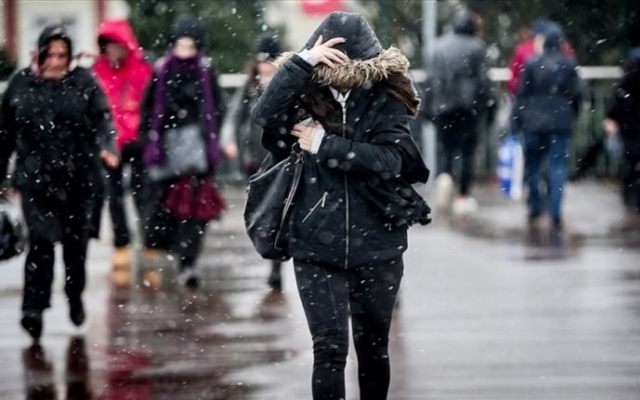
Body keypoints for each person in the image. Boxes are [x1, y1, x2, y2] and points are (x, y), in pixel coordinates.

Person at [251, 11, 431, 399]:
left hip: (378, 239)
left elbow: (390, 160)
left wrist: (325, 146)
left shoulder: (386, 96)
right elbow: (263, 115)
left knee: (372, 350)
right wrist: (301, 63)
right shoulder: (304, 92)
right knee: (329, 351)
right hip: (315, 241)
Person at [0, 24, 118, 340]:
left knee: (74, 248)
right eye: (49, 54)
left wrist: (108, 147)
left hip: (79, 180)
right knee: (40, 243)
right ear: (38, 54)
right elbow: (4, 135)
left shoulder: (83, 82)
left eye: (62, 55)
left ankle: (74, 294)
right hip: (35, 181)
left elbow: (104, 119)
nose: (55, 61)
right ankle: (33, 309)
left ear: (69, 56)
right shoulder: (20, 83)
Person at [139, 15, 229, 289]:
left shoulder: (205, 72)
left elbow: (218, 109)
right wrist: (151, 141)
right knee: (164, 209)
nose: (185, 51)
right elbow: (148, 110)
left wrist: (209, 140)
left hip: (198, 155)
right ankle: (173, 251)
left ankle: (188, 262)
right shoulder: (161, 71)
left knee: (196, 212)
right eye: (181, 45)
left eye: (191, 46)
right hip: (164, 153)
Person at [91, 19, 154, 287]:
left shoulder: (142, 69)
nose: (113, 52)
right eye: (109, 47)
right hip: (111, 145)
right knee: (114, 197)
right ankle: (122, 244)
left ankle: (149, 241)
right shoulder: (97, 71)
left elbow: (150, 106)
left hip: (137, 143)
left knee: (143, 195)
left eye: (117, 46)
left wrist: (143, 134)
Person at [224, 33, 285, 290]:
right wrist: (229, 141)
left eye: (270, 60)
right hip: (256, 161)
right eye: (261, 60)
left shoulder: (287, 84)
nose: (265, 66)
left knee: (278, 211)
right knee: (261, 211)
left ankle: (276, 264)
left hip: (281, 157)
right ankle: (269, 252)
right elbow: (234, 116)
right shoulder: (250, 87)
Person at [428, 9, 495, 216]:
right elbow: (483, 81)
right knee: (467, 151)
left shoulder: (438, 45)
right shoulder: (477, 46)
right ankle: (463, 196)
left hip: (443, 105)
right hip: (468, 107)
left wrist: (430, 106)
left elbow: (431, 79)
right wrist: (487, 105)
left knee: (446, 148)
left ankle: (444, 178)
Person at [514, 24, 581, 229]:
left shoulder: (532, 63)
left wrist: (517, 119)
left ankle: (535, 207)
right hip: (560, 122)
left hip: (534, 121)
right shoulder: (569, 65)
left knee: (533, 166)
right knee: (557, 166)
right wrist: (572, 113)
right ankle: (555, 211)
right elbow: (578, 94)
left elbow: (521, 95)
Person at [604, 32, 640, 214]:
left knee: (639, 162)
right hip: (637, 123)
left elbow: (620, 92)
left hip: (639, 123)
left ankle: (638, 199)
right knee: (637, 162)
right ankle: (637, 199)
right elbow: (622, 92)